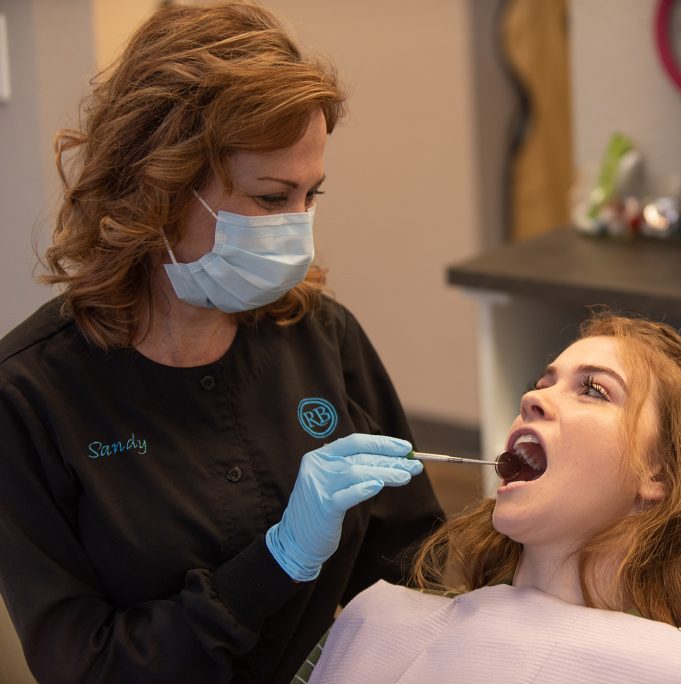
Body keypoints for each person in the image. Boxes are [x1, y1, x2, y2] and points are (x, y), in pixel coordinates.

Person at [0, 3, 443, 682]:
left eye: (311, 194)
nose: (299, 227)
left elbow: (413, 563)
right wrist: (278, 561)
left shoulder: (322, 337)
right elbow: (88, 668)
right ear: (160, 187)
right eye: (271, 199)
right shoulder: (29, 399)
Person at [297, 312, 681, 683]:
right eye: (542, 382)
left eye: (593, 389)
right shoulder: (377, 625)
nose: (533, 398)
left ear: (658, 475)